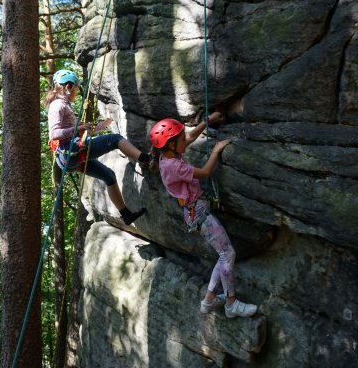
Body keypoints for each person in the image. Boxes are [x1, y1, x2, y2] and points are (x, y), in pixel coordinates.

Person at [149, 114, 257, 318]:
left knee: (223, 254)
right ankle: (231, 303)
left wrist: (207, 121)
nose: (185, 141)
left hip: (194, 211)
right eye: (179, 140)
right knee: (228, 254)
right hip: (197, 211)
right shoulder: (175, 167)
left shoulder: (167, 157)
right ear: (171, 144)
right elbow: (206, 171)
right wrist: (216, 151)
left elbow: (188, 138)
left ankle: (209, 300)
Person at [45, 68, 149, 225]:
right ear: (68, 87)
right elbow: (54, 134)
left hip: (72, 156)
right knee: (115, 139)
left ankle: (126, 214)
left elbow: (83, 130)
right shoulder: (58, 105)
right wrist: (77, 129)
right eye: (75, 89)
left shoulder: (64, 105)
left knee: (109, 175)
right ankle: (145, 159)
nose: (76, 93)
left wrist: (103, 125)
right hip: (70, 152)